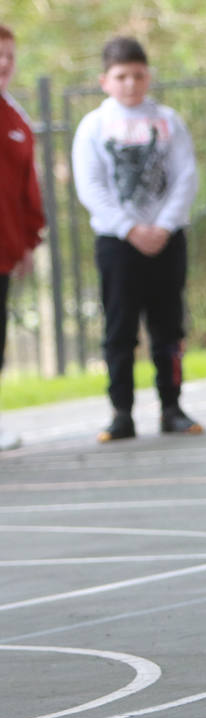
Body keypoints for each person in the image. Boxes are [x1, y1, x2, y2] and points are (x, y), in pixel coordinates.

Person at [72, 37, 202, 442]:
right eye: (121, 76)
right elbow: (90, 185)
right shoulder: (94, 126)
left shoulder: (168, 121)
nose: (130, 83)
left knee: (168, 325)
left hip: (167, 240)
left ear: (149, 76)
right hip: (117, 244)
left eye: (138, 75)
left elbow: (186, 177)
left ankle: (172, 406)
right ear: (104, 80)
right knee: (119, 329)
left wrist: (163, 225)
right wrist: (129, 228)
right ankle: (121, 412)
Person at [0, 24, 44, 452]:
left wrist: (29, 240)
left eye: (10, 55)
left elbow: (27, 187)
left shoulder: (15, 118)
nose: (4, 63)